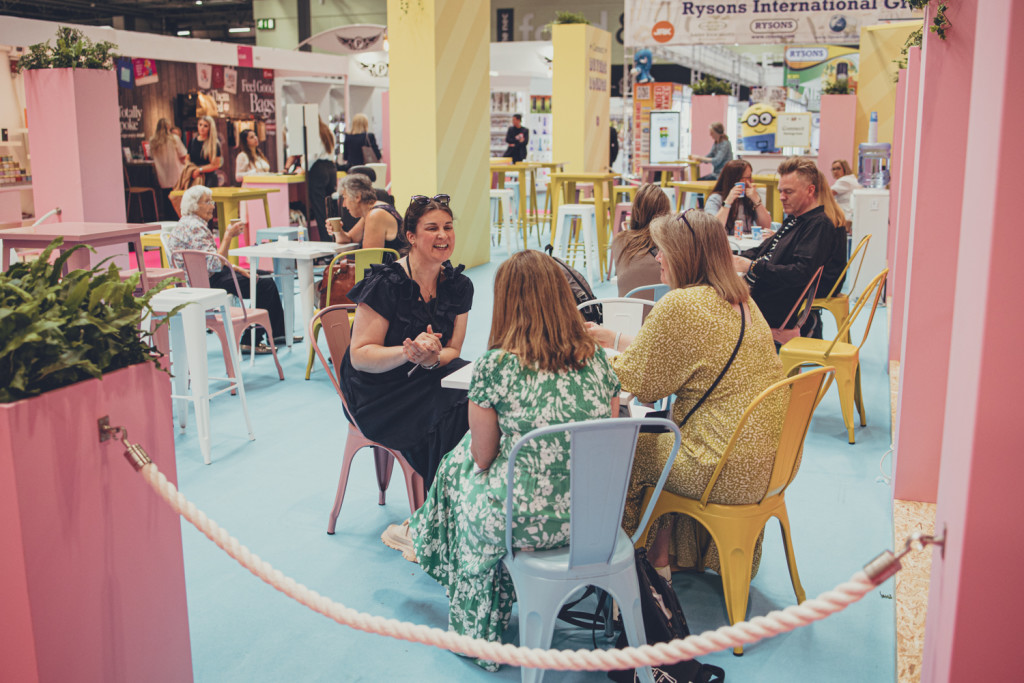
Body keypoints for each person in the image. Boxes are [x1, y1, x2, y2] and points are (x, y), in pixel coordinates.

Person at [396, 250, 620, 671]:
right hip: (595, 519)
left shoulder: (496, 367)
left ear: (506, 302)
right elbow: (602, 444)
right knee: (462, 466)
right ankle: (422, 532)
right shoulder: (597, 361)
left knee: (459, 466)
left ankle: (473, 624)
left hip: (525, 523)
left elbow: (484, 457)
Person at [587, 209, 786, 581]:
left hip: (717, 466)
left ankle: (625, 567)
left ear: (683, 254)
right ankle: (665, 555)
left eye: (662, 250)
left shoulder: (680, 304)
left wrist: (583, 352)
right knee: (667, 433)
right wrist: (613, 338)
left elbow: (642, 384)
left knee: (629, 449)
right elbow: (687, 355)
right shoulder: (742, 300)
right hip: (764, 464)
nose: (657, 258)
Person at [339, 194, 473, 491]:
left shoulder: (458, 286)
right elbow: (360, 355)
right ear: (411, 236)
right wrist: (407, 353)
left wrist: (432, 359)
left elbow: (454, 349)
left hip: (428, 374)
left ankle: (469, 496)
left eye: (448, 227)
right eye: (432, 228)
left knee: (481, 393)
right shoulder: (387, 283)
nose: (443, 235)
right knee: (455, 413)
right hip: (378, 391)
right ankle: (440, 506)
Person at [732, 157, 847, 336]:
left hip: (774, 304)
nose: (781, 197)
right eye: (780, 191)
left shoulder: (818, 225)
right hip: (763, 292)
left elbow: (800, 274)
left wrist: (752, 266)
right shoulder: (796, 219)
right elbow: (766, 249)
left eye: (789, 192)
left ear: (810, 190)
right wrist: (735, 259)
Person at [166, 185, 286, 351]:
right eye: (207, 202)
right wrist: (228, 236)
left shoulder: (186, 224)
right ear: (194, 206)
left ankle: (278, 334)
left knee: (261, 275)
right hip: (204, 283)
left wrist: (235, 268)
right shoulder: (196, 227)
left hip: (201, 277)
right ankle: (251, 340)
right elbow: (214, 264)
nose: (212, 206)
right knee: (263, 283)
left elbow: (208, 261)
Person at [610, 183, 671, 297]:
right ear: (666, 213)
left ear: (635, 212)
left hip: (626, 312)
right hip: (659, 312)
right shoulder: (670, 243)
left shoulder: (619, 241)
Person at [329, 173, 403, 251]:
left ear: (358, 197)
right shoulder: (372, 211)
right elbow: (349, 239)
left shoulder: (375, 215)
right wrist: (337, 230)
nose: (343, 205)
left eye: (345, 198)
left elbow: (369, 259)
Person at [704, 159, 772, 236]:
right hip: (726, 244)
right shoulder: (715, 198)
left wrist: (757, 201)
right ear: (736, 179)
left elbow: (766, 226)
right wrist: (727, 203)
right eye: (747, 178)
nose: (751, 181)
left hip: (747, 244)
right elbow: (713, 229)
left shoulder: (749, 198)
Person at [148, 118, 187, 219]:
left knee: (166, 202)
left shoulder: (153, 141)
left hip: (162, 175)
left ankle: (168, 221)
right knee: (177, 201)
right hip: (176, 174)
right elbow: (183, 155)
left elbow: (150, 156)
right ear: (168, 126)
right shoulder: (174, 139)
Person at [307, 117, 337, 242]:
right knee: (332, 208)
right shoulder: (327, 131)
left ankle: (326, 244)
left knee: (320, 210)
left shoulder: (313, 133)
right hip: (331, 168)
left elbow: (311, 155)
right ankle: (335, 240)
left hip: (318, 169)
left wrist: (304, 168)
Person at [188, 115, 222, 187]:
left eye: (205, 126)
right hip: (194, 176)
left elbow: (215, 165)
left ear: (210, 128)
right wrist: (192, 170)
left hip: (209, 178)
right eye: (200, 125)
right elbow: (187, 159)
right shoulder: (193, 141)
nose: (202, 128)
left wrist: (200, 170)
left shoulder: (214, 144)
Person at [830, 159, 861, 224]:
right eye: (833, 169)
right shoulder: (850, 178)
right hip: (850, 215)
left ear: (845, 169)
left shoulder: (844, 181)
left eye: (838, 168)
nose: (835, 171)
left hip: (847, 216)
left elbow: (828, 194)